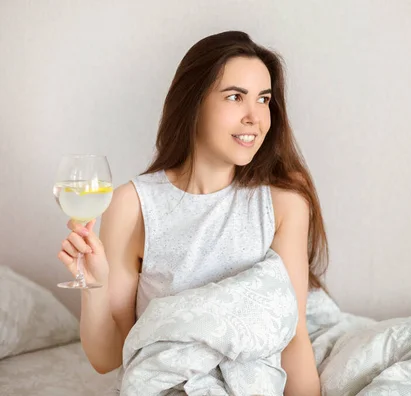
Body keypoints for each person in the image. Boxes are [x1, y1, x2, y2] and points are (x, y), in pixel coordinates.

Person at [57, 30, 328, 395]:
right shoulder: (133, 204)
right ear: (194, 102)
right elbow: (108, 357)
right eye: (235, 97)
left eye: (263, 100)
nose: (255, 117)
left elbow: (292, 338)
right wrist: (94, 285)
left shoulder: (282, 203)